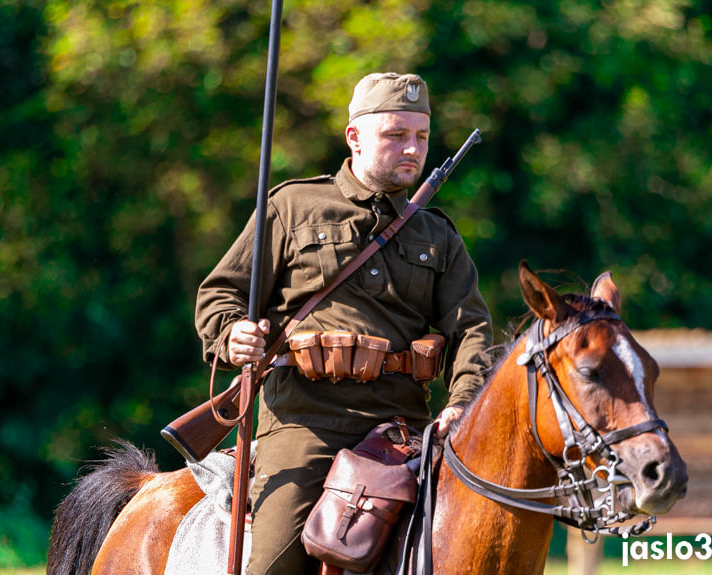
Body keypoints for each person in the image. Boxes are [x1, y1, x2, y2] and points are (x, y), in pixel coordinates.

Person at [195, 72, 493, 575]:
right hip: (307, 421)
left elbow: (472, 330)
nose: (412, 149)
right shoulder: (292, 206)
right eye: (395, 135)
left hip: (403, 427)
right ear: (354, 137)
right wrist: (232, 335)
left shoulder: (437, 233)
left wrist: (462, 403)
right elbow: (220, 293)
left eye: (420, 136)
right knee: (274, 567)